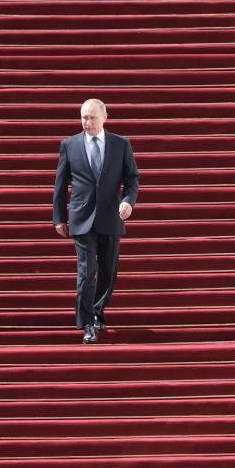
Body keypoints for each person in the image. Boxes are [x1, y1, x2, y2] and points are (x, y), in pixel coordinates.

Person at [52, 98, 139, 344]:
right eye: (83, 117)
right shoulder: (70, 145)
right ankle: (87, 322)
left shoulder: (121, 144)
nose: (86, 122)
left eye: (91, 117)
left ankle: (98, 311)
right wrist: (59, 217)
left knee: (108, 273)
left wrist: (128, 201)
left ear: (105, 117)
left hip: (111, 216)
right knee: (86, 271)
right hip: (81, 218)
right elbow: (60, 184)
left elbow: (132, 178)